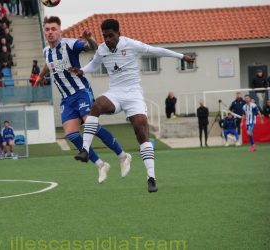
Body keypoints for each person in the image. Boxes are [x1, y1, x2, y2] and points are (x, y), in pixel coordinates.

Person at [69, 19, 195, 192]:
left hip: (134, 95)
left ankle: (151, 177)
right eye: (104, 36)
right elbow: (94, 64)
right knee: (96, 105)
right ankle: (84, 150)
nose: (107, 39)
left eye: (110, 36)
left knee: (140, 130)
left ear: (118, 34)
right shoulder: (102, 49)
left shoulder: (131, 44)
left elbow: (156, 50)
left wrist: (182, 56)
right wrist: (82, 70)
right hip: (115, 93)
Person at [35, 16, 131, 184]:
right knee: (71, 134)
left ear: (60, 31)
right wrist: (40, 76)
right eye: (47, 30)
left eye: (53, 29)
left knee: (90, 124)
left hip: (81, 92)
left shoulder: (70, 44)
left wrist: (90, 39)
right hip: (66, 99)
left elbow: (93, 48)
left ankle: (122, 156)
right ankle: (101, 165)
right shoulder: (46, 51)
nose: (50, 32)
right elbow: (47, 65)